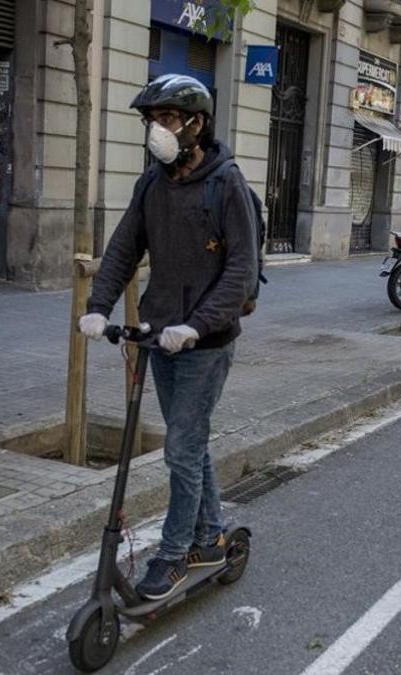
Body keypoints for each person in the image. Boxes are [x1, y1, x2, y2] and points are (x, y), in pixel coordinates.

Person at [77, 74, 259, 601]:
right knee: (190, 444)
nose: (156, 130)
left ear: (196, 125)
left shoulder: (227, 186)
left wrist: (197, 325)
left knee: (180, 446)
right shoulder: (151, 184)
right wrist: (97, 307)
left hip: (206, 342)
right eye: (151, 121)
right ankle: (208, 536)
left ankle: (174, 555)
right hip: (160, 338)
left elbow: (241, 273)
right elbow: (122, 249)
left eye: (166, 120)